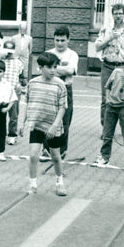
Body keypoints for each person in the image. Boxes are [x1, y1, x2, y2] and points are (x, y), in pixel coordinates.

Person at [19, 52, 68, 196]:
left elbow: (62, 107)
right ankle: (33, 184)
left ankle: (60, 182)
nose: (53, 70)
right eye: (49, 67)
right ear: (40, 67)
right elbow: (25, 102)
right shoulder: (33, 83)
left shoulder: (60, 84)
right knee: (33, 155)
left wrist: (55, 126)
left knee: (55, 156)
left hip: (53, 127)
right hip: (36, 125)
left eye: (55, 67)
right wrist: (22, 122)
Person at [90, 50, 124, 172]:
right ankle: (104, 157)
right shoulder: (116, 72)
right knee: (107, 134)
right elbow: (107, 87)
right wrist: (108, 99)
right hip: (111, 107)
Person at [94, 3, 124, 124]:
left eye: (120, 13)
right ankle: (106, 127)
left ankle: (123, 124)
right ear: (112, 15)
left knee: (123, 97)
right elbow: (97, 47)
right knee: (106, 96)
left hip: (123, 68)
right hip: (108, 66)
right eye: (116, 14)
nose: (118, 16)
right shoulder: (106, 29)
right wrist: (109, 38)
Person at [45, 26, 78, 158]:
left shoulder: (72, 54)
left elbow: (70, 70)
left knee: (64, 121)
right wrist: (61, 70)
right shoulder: (48, 53)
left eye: (62, 40)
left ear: (68, 40)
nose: (59, 43)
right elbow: (42, 71)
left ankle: (61, 151)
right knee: (47, 119)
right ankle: (46, 150)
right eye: (57, 40)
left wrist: (51, 68)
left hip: (65, 89)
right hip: (49, 89)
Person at [1, 40, 25, 145]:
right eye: (6, 50)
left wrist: (21, 83)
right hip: (1, 91)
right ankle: (0, 135)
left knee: (14, 115)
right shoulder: (0, 61)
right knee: (0, 115)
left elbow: (22, 77)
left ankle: (12, 135)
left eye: (10, 50)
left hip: (14, 92)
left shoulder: (18, 63)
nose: (8, 53)